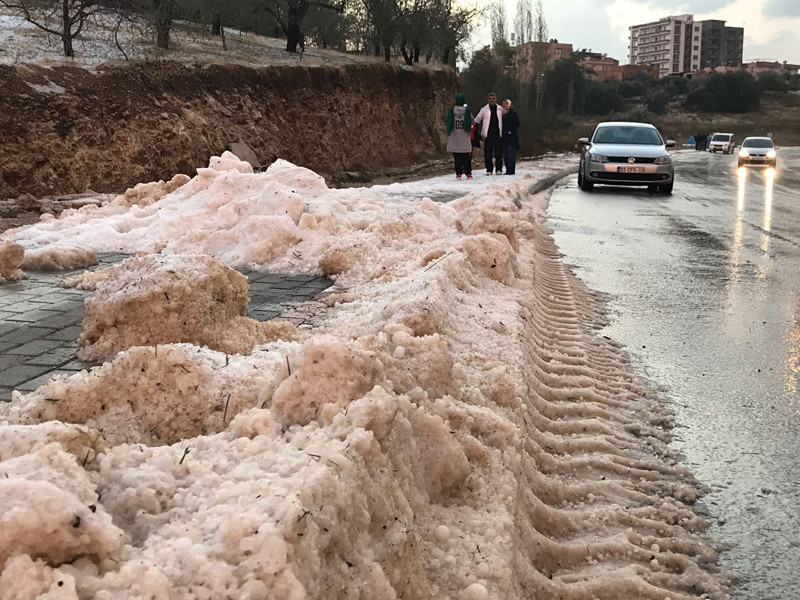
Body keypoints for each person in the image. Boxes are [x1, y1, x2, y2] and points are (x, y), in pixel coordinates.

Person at [474, 92, 504, 175]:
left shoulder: (500, 109)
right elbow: (477, 120)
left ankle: (499, 169)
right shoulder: (484, 109)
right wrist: (478, 134)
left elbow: (506, 116)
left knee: (498, 153)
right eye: (490, 99)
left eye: (493, 98)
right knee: (488, 153)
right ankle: (489, 170)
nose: (492, 100)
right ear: (488, 100)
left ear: (496, 99)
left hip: (498, 134)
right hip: (487, 135)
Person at [446, 93, 473, 179]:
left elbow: (448, 122)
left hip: (455, 136)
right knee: (466, 156)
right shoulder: (467, 111)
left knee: (457, 156)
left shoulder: (452, 111)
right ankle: (468, 173)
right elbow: (471, 120)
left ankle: (458, 173)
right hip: (464, 135)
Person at [501, 99, 519, 175]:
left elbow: (517, 124)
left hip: (512, 138)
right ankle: (508, 170)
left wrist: (511, 130)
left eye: (507, 104)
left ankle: (511, 171)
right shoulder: (502, 114)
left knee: (511, 155)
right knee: (506, 156)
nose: (505, 105)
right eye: (504, 104)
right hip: (504, 137)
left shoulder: (513, 114)